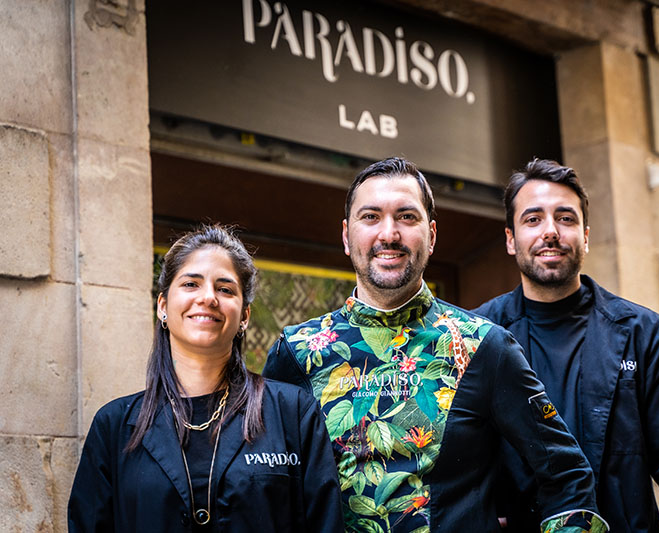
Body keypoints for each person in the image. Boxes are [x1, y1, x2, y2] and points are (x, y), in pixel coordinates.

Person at [263, 157, 607, 533]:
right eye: (371, 217)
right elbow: (266, 491)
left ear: (432, 235)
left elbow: (567, 474)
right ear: (347, 236)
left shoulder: (483, 346)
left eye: (407, 217)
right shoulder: (296, 353)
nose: (389, 234)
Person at [474, 158, 659, 532]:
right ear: (511, 239)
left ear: (585, 235)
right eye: (533, 219)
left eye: (565, 218)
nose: (550, 231)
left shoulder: (643, 333)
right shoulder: (474, 335)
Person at [68, 225, 343, 532]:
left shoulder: (293, 412)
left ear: (244, 316)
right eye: (191, 284)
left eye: (225, 289)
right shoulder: (113, 426)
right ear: (162, 306)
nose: (208, 297)